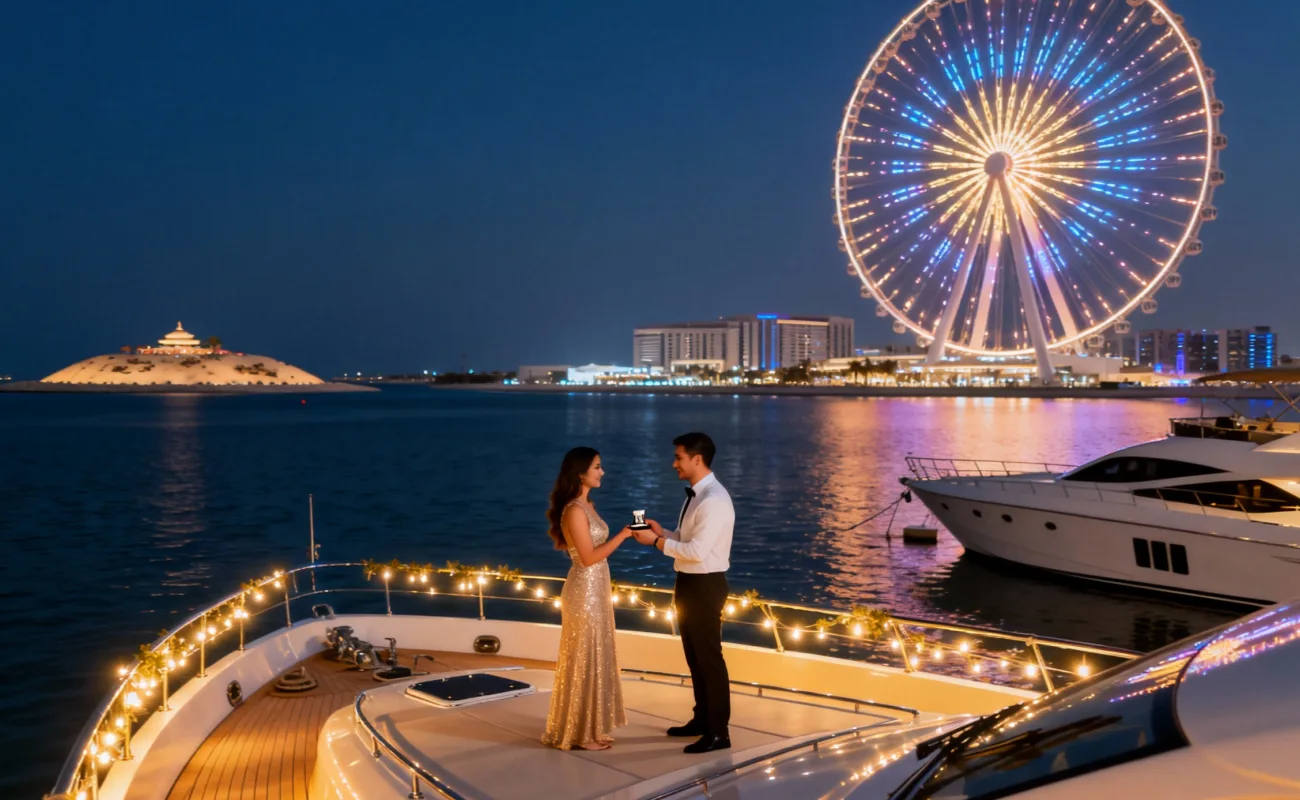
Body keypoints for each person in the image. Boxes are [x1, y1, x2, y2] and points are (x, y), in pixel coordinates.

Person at [632, 432, 735, 754]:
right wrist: (666, 533)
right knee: (695, 658)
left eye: (678, 457)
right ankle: (702, 719)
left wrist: (657, 542)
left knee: (708, 659)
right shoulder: (699, 496)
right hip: (690, 582)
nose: (674, 463)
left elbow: (698, 552)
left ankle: (718, 731)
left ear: (697, 459)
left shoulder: (714, 499)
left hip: (705, 583)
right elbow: (689, 541)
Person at [540, 446, 635, 751]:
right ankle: (577, 733)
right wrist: (622, 535)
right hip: (584, 592)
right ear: (580, 472)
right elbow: (588, 557)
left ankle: (591, 727)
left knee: (595, 655)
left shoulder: (588, 505)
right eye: (597, 467)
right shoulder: (574, 510)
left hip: (597, 590)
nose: (602, 471)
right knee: (582, 657)